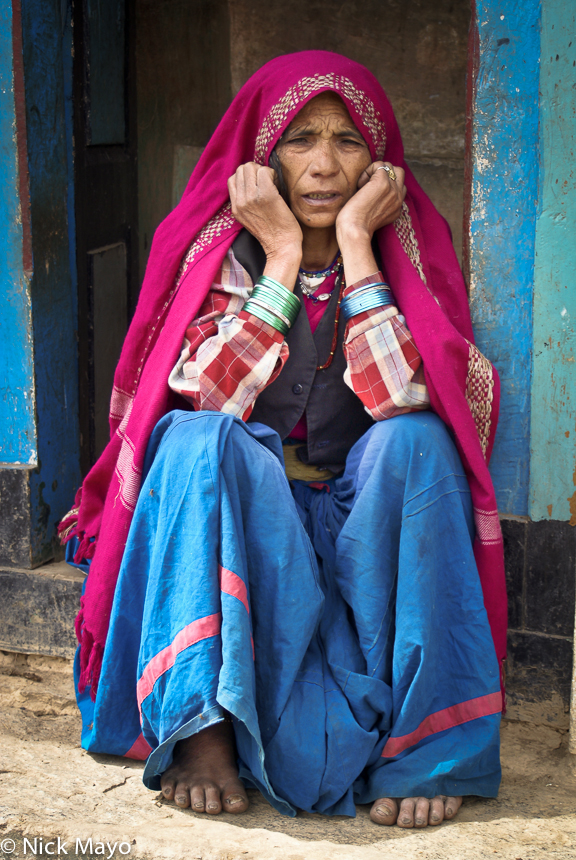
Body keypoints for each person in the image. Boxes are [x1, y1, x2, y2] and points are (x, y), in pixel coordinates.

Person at [60, 51, 507, 829]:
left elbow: (407, 395)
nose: (326, 165)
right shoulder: (213, 252)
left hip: (356, 536)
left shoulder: (406, 252)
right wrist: (283, 259)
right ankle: (201, 725)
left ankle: (425, 746)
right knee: (196, 440)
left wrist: (360, 251)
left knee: (420, 444)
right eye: (300, 140)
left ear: (379, 161)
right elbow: (210, 395)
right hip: (245, 533)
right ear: (261, 161)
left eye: (347, 141)